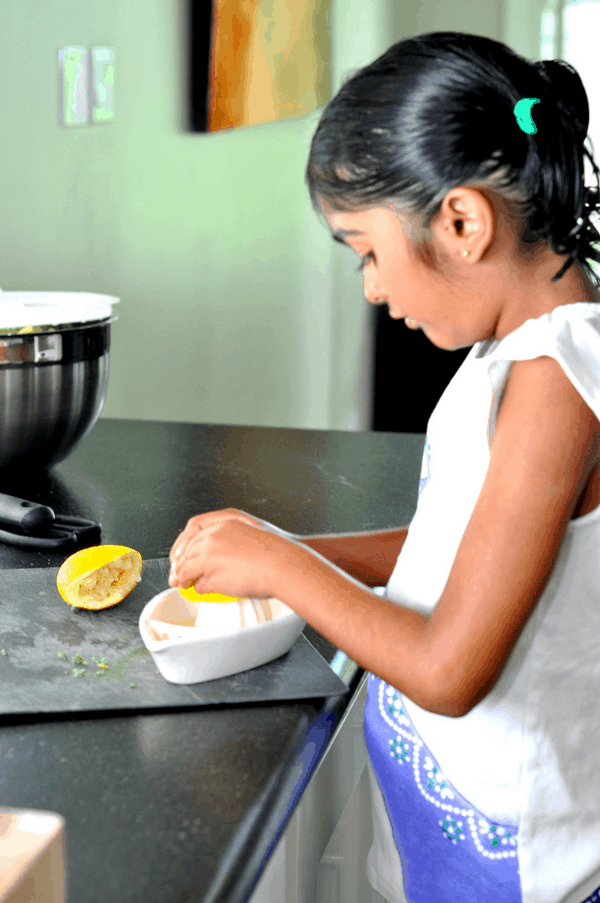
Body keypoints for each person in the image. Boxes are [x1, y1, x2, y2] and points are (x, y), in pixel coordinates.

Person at [168, 31, 600, 903]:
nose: (369, 287)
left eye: (366, 249)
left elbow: (450, 669)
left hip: (520, 865)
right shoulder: (513, 351)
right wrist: (286, 545)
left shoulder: (558, 377)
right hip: (453, 825)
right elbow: (459, 546)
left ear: (462, 221)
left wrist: (282, 565)